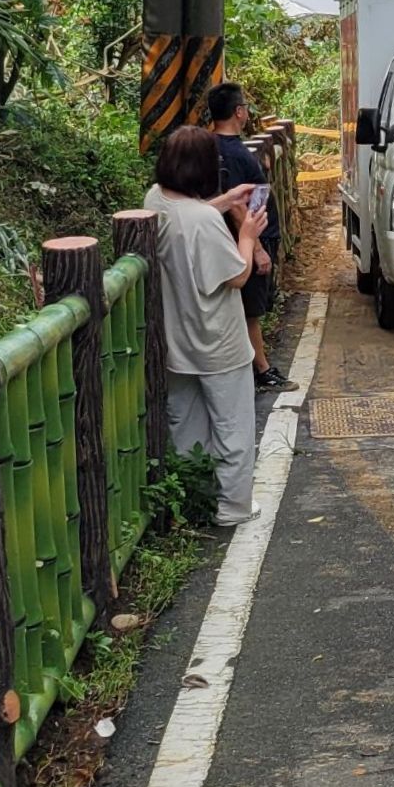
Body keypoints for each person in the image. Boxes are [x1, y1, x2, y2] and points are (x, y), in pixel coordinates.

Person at [144, 125, 270, 528]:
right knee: (232, 427)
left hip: (177, 339)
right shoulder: (203, 221)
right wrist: (247, 235)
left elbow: (188, 219)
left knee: (186, 425)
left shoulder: (155, 200)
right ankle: (233, 507)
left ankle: (193, 500)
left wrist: (224, 201)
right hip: (218, 341)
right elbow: (236, 274)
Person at [207, 81, 288, 390]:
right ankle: (261, 370)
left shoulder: (217, 148)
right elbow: (237, 205)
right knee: (251, 310)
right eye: (245, 107)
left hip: (249, 239)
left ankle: (257, 366)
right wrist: (255, 248)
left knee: (249, 308)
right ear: (238, 112)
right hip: (249, 241)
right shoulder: (233, 153)